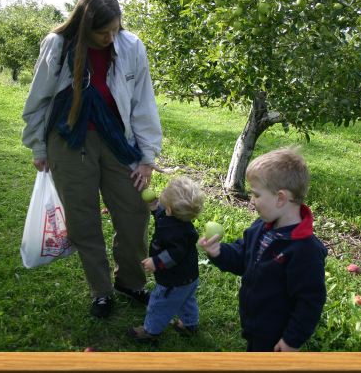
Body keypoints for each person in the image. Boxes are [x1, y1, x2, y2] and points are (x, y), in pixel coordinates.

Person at [21, 0, 162, 318]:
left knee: (133, 212)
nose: (111, 38)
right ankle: (101, 290)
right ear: (85, 26)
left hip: (118, 141)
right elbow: (38, 101)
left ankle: (131, 281)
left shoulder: (131, 47)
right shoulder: (58, 45)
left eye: (115, 29)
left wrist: (147, 157)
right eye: (103, 32)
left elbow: (144, 103)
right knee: (83, 219)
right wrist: (38, 146)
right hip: (69, 142)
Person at [198, 146, 327, 351]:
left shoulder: (305, 250)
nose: (251, 200)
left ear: (280, 198)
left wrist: (291, 340)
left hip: (276, 334)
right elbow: (243, 256)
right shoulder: (261, 227)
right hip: (256, 322)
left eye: (256, 194)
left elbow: (309, 302)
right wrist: (219, 252)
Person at [128, 177, 204, 343]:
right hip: (189, 277)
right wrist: (155, 208)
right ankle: (190, 324)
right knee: (186, 300)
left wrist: (156, 262)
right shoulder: (179, 222)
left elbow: (174, 254)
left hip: (173, 281)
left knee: (159, 304)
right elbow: (163, 218)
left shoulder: (174, 233)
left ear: (169, 209)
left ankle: (150, 331)